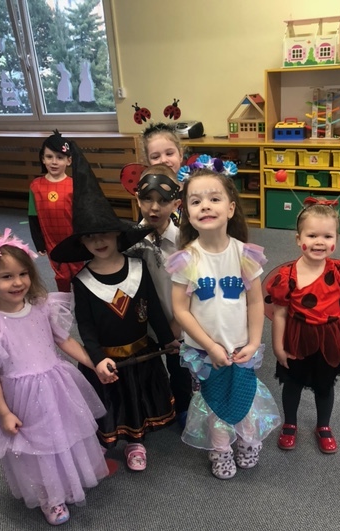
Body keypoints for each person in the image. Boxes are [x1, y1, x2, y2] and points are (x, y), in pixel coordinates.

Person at [0, 229, 109, 526]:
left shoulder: (43, 306)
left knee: (65, 434)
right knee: (37, 447)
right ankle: (50, 497)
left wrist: (94, 363)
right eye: (6, 277)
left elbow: (64, 340)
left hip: (56, 387)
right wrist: (3, 412)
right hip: (21, 398)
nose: (17, 282)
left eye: (23, 273)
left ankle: (69, 480)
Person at [51, 141, 177, 472]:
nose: (99, 241)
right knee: (112, 402)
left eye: (105, 233)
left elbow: (155, 310)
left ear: (118, 234)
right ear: (82, 243)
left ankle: (136, 442)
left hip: (141, 353)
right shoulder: (82, 282)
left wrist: (168, 340)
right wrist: (95, 359)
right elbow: (86, 328)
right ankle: (108, 441)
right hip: (108, 359)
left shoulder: (138, 267)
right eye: (90, 237)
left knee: (137, 400)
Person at [167, 164, 280, 480]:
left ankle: (248, 441)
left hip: (241, 349)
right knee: (214, 405)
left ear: (230, 208)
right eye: (196, 201)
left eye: (214, 199)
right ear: (187, 213)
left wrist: (254, 342)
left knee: (245, 399)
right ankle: (221, 451)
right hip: (205, 353)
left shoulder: (245, 254)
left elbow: (255, 301)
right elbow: (181, 310)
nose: (205, 206)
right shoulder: (186, 259)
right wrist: (210, 346)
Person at [266, 202, 340, 454]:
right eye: (312, 235)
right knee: (292, 383)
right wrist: (278, 347)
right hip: (298, 337)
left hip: (330, 338)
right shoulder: (287, 277)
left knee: (325, 385)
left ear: (336, 240)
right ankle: (290, 423)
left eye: (327, 236)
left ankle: (323, 426)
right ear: (299, 239)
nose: (319, 242)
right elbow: (280, 314)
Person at [133, 164, 192, 425]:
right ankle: (154, 409)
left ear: (176, 204)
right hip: (143, 326)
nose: (154, 208)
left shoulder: (184, 243)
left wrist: (177, 324)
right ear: (138, 199)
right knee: (147, 371)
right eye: (147, 199)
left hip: (176, 320)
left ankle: (184, 407)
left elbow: (192, 286)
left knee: (179, 369)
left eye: (163, 201)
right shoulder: (129, 242)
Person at [28, 130, 84, 292]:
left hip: (74, 239)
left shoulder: (74, 185)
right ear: (42, 159)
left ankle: (83, 300)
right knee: (62, 276)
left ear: (69, 160)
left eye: (60, 157)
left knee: (79, 273)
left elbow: (82, 215)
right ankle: (64, 301)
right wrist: (39, 242)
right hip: (52, 241)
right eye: (49, 157)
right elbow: (32, 216)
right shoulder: (36, 186)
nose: (54, 162)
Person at [140, 122, 184, 225]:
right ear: (148, 162)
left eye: (169, 153)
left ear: (180, 155)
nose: (164, 160)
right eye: (155, 157)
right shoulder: (147, 193)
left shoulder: (190, 190)